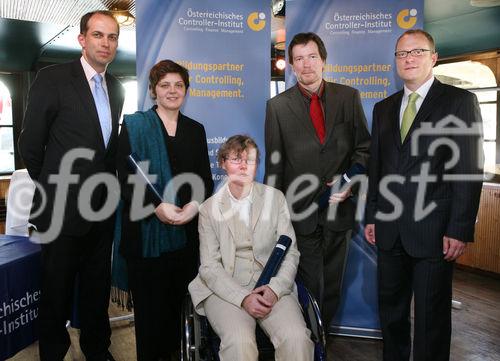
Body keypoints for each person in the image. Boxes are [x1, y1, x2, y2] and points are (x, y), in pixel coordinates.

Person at [364, 29, 483, 361]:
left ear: (434, 57)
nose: (409, 59)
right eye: (402, 54)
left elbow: (469, 169)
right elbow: (377, 169)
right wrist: (372, 215)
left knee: (431, 318)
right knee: (391, 314)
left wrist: (459, 228)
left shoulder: (459, 102)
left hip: (435, 231)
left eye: (417, 52)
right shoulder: (383, 108)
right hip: (389, 230)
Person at [18, 11, 124, 361]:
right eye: (98, 35)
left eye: (112, 37)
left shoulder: (118, 87)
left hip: (101, 211)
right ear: (82, 39)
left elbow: (106, 150)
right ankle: (53, 354)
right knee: (56, 293)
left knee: (96, 291)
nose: (105, 43)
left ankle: (98, 350)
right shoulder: (52, 78)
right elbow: (31, 144)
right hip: (60, 212)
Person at [264, 32, 371, 327]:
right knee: (310, 284)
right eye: (298, 59)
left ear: (323, 60)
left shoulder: (348, 97)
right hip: (300, 212)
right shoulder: (277, 107)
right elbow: (275, 166)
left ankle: (323, 342)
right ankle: (308, 341)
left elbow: (364, 148)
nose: (306, 64)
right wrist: (273, 216)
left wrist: (349, 184)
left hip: (340, 209)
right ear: (291, 66)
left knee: (333, 285)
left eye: (312, 57)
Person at [116, 59, 213, 361]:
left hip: (185, 238)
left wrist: (193, 207)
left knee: (179, 313)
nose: (172, 91)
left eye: (178, 85)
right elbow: (126, 179)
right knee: (150, 320)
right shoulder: (135, 127)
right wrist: (156, 208)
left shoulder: (195, 130)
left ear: (186, 90)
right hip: (146, 238)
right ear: (153, 90)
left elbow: (204, 179)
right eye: (165, 85)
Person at [189, 135, 314, 361]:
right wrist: (243, 298)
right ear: (223, 163)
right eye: (237, 159)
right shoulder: (208, 209)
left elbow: (291, 253)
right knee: (239, 342)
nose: (244, 165)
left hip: (270, 284)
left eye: (251, 160)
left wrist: (275, 289)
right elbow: (209, 267)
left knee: (297, 338)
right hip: (225, 289)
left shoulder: (275, 199)